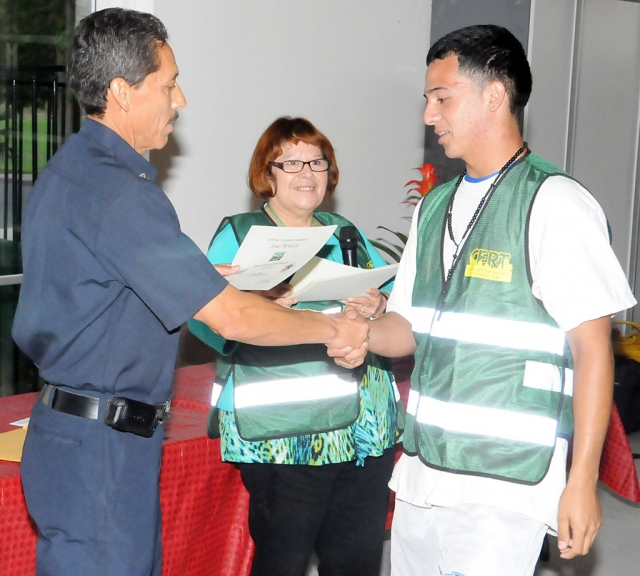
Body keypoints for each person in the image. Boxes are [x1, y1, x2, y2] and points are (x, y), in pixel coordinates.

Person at [12, 10, 367, 576]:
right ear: (123, 92)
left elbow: (99, 290)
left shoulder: (70, 170)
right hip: (103, 454)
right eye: (168, 83)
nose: (181, 99)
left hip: (77, 439)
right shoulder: (121, 194)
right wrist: (336, 330)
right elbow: (232, 322)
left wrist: (206, 282)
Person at [331, 24, 636, 576]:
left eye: (442, 98)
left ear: (495, 94)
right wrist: (363, 335)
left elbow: (594, 351)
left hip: (504, 483)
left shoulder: (554, 202)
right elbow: (409, 326)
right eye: (427, 99)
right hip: (424, 473)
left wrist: (582, 481)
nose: (429, 115)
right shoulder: (434, 206)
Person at [187, 116, 403, 576]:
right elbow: (204, 321)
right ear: (267, 175)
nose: (307, 173)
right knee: (283, 562)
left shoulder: (344, 230)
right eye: (290, 163)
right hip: (284, 435)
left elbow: (392, 307)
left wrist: (377, 302)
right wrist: (262, 305)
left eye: (317, 162)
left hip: (365, 429)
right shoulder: (240, 233)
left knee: (357, 562)